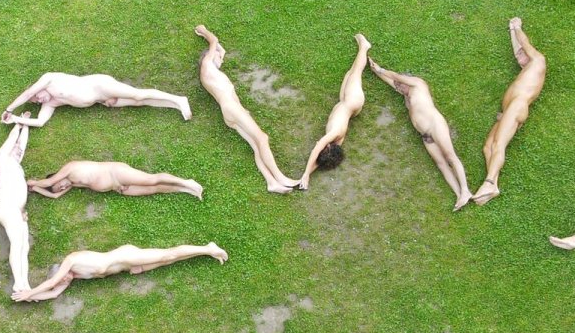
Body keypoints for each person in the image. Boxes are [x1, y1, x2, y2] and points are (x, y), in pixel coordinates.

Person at [194, 25, 300, 194]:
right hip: (231, 108)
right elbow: (214, 41)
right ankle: (281, 177)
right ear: (209, 56)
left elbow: (222, 50)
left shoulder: (210, 74)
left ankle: (271, 183)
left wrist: (220, 50)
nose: (222, 60)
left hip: (230, 112)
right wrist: (204, 31)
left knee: (257, 146)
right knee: (262, 138)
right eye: (218, 57)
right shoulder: (207, 65)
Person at [369, 59, 473, 210]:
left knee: (450, 156)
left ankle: (465, 190)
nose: (397, 87)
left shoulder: (418, 85)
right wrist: (375, 71)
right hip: (425, 134)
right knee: (441, 164)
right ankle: (459, 195)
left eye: (399, 85)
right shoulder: (406, 95)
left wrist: (381, 69)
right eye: (397, 86)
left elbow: (395, 77)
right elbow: (391, 81)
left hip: (435, 125)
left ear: (406, 81)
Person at [473, 18, 547, 205]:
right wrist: (511, 32)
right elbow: (519, 50)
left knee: (499, 144)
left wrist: (517, 27)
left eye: (522, 54)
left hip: (517, 107)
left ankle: (489, 182)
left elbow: (524, 44)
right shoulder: (526, 70)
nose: (518, 56)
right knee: (487, 147)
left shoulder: (538, 61)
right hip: (508, 111)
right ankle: (494, 186)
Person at [11, 242, 228, 302]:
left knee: (167, 255)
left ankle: (207, 248)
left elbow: (51, 284)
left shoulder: (70, 261)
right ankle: (204, 252)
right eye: (63, 281)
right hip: (128, 267)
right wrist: (30, 298)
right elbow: (54, 292)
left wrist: (29, 291)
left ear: (59, 271)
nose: (64, 281)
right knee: (168, 262)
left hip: (125, 257)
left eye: (62, 278)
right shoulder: (73, 277)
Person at [299, 34, 371, 188]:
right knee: (356, 72)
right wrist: (305, 173)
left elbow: (319, 160)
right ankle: (365, 47)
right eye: (323, 148)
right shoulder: (334, 135)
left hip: (347, 102)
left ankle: (362, 49)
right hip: (352, 100)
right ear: (329, 147)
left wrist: (308, 175)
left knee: (349, 73)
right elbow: (317, 148)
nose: (320, 145)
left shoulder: (337, 142)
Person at [1, 73, 191, 127]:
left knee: (137, 94)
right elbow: (40, 122)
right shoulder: (51, 103)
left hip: (100, 86)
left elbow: (26, 94)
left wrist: (9, 109)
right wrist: (15, 119)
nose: (39, 100)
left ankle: (179, 99)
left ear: (36, 89)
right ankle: (175, 106)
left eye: (36, 97)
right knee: (139, 102)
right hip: (102, 101)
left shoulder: (49, 79)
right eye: (36, 102)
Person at [27, 160, 203, 199]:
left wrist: (32, 183)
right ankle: (184, 189)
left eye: (58, 185)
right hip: (117, 187)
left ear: (55, 178)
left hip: (116, 173)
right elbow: (55, 195)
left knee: (151, 180)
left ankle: (186, 181)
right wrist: (36, 190)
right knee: (152, 189)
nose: (62, 187)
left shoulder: (69, 168)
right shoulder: (74, 184)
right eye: (61, 188)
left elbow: (48, 183)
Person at [0, 114, 33, 292]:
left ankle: (25, 284)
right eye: (15, 150)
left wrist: (26, 125)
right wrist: (18, 125)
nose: (19, 151)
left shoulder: (15, 163)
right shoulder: (2, 159)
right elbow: (12, 141)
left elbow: (21, 146)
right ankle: (18, 283)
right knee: (18, 244)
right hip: (8, 209)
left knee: (24, 246)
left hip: (16, 210)